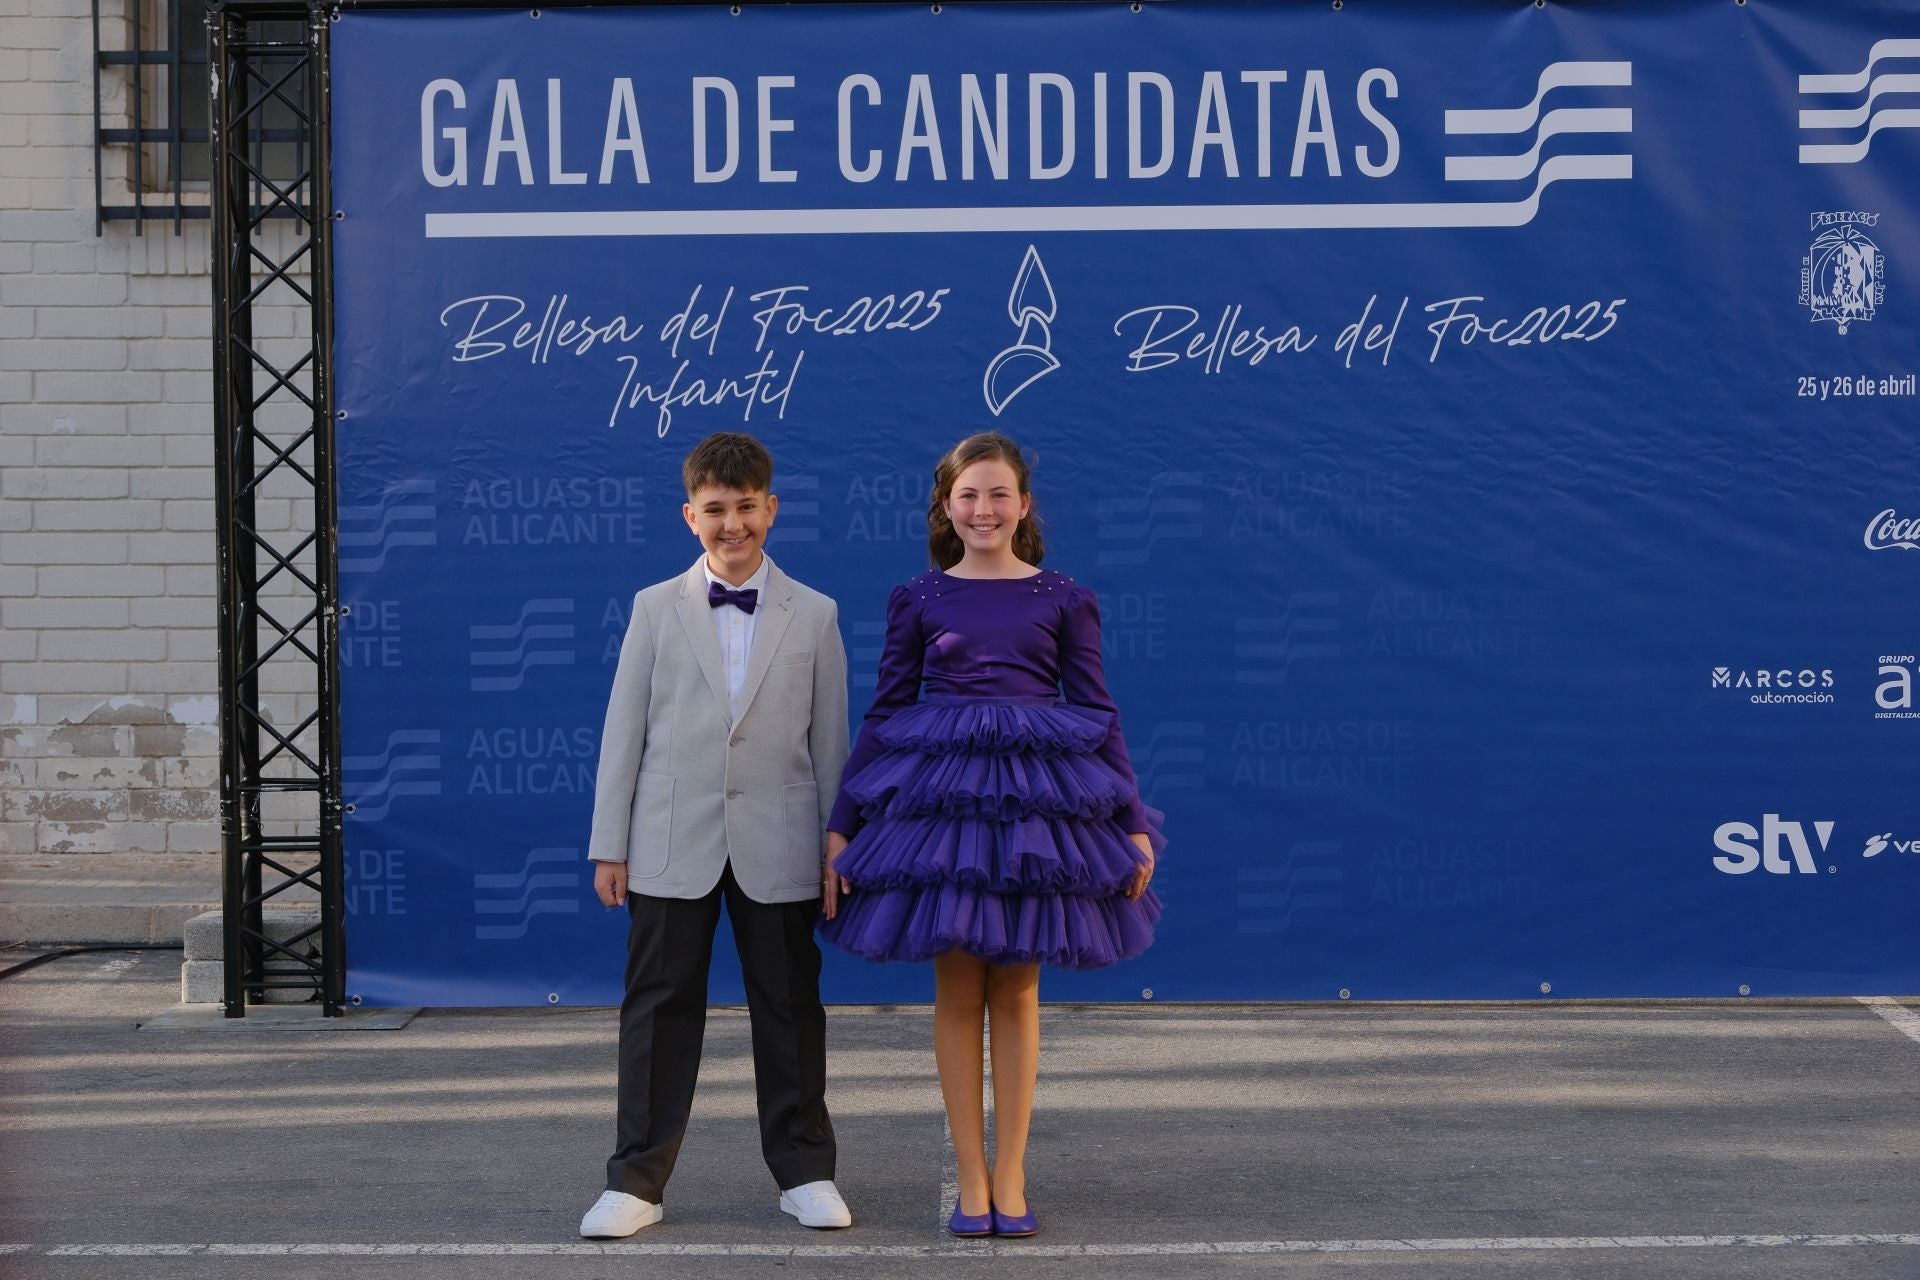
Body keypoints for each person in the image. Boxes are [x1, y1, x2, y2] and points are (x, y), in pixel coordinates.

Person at [819, 431, 1163, 1238]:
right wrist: (843, 824)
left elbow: (1098, 711)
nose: (984, 509)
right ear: (946, 506)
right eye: (968, 495)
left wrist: (1130, 820)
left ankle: (1011, 1172)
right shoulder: (918, 597)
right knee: (957, 992)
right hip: (945, 812)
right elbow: (886, 712)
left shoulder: (1065, 597)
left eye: (998, 493)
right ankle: (970, 1178)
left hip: (1036, 811)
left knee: (1016, 990)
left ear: (1024, 504)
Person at [580, 432, 853, 1237]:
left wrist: (838, 843)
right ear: (689, 515)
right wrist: (610, 843)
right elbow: (624, 731)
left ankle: (805, 1172)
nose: (732, 524)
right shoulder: (653, 607)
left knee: (791, 1006)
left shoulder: (817, 613)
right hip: (671, 838)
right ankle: (635, 1182)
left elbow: (831, 742)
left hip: (781, 838)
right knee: (659, 1008)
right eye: (715, 509)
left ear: (771, 508)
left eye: (746, 507)